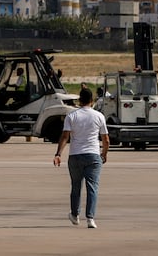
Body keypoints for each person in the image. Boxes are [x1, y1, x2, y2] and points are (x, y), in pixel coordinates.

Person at [54, 85, 109, 228]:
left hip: (76, 156)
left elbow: (65, 137)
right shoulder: (99, 116)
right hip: (93, 156)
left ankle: (75, 215)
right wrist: (104, 153)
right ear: (92, 100)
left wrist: (58, 154)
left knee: (76, 186)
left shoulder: (71, 116)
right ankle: (90, 218)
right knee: (92, 187)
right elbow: (106, 139)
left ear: (80, 100)